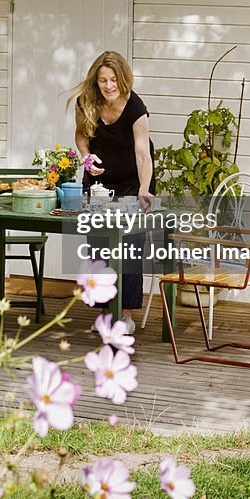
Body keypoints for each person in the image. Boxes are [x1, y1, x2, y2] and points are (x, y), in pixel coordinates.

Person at [70, 50, 155, 335]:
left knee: (128, 247)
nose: (108, 86)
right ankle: (106, 312)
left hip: (133, 181)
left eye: (114, 80)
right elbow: (82, 136)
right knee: (98, 245)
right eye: (103, 80)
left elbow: (143, 154)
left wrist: (144, 189)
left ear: (124, 80)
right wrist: (87, 158)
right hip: (98, 182)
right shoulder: (87, 101)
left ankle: (125, 315)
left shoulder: (135, 108)